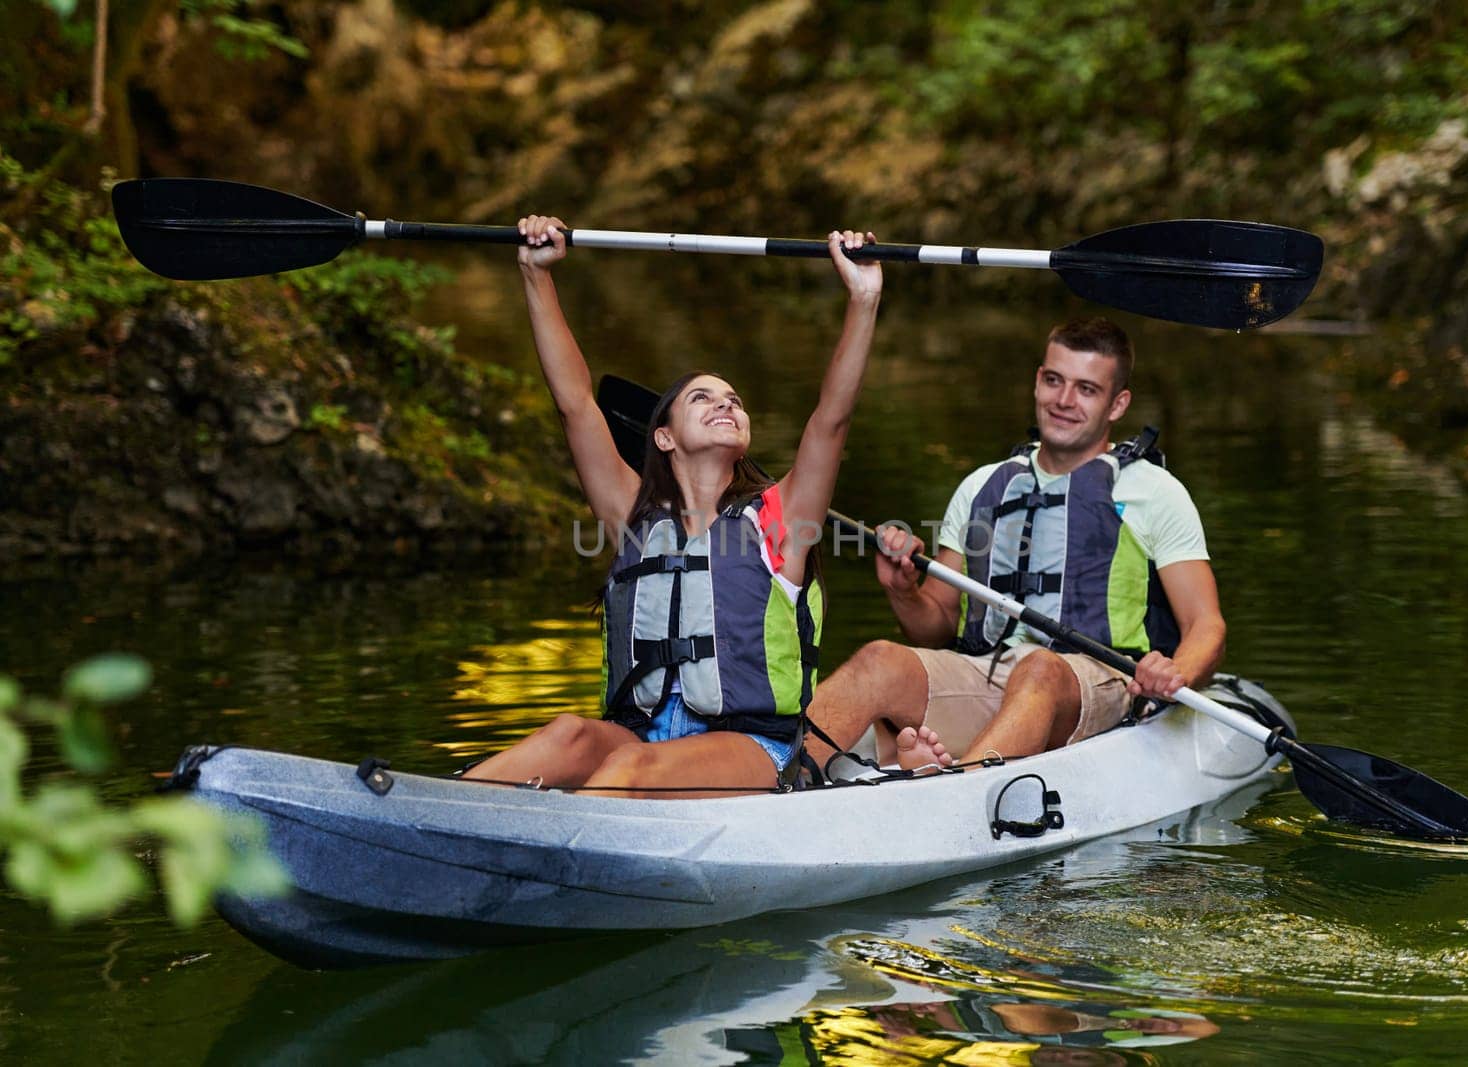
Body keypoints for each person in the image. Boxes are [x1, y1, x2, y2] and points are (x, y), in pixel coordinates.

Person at [464, 214, 882, 797]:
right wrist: (536, 275)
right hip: (638, 736)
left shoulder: (779, 519)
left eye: (734, 400)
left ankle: (559, 847)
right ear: (663, 436)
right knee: (569, 736)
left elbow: (831, 421)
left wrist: (863, 300)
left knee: (627, 773)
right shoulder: (632, 519)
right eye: (702, 398)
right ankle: (431, 814)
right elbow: (577, 406)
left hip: (751, 748)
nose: (726, 405)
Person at [804, 316, 1224, 774]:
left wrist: (1175, 671)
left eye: (1086, 389)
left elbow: (1205, 624)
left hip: (1099, 678)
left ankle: (956, 794)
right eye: (1053, 380)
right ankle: (770, 779)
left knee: (1039, 669)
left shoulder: (1153, 491)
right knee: (877, 660)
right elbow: (937, 626)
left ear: (1117, 404)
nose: (1064, 401)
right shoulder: (983, 486)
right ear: (1037, 381)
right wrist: (903, 592)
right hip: (986, 670)